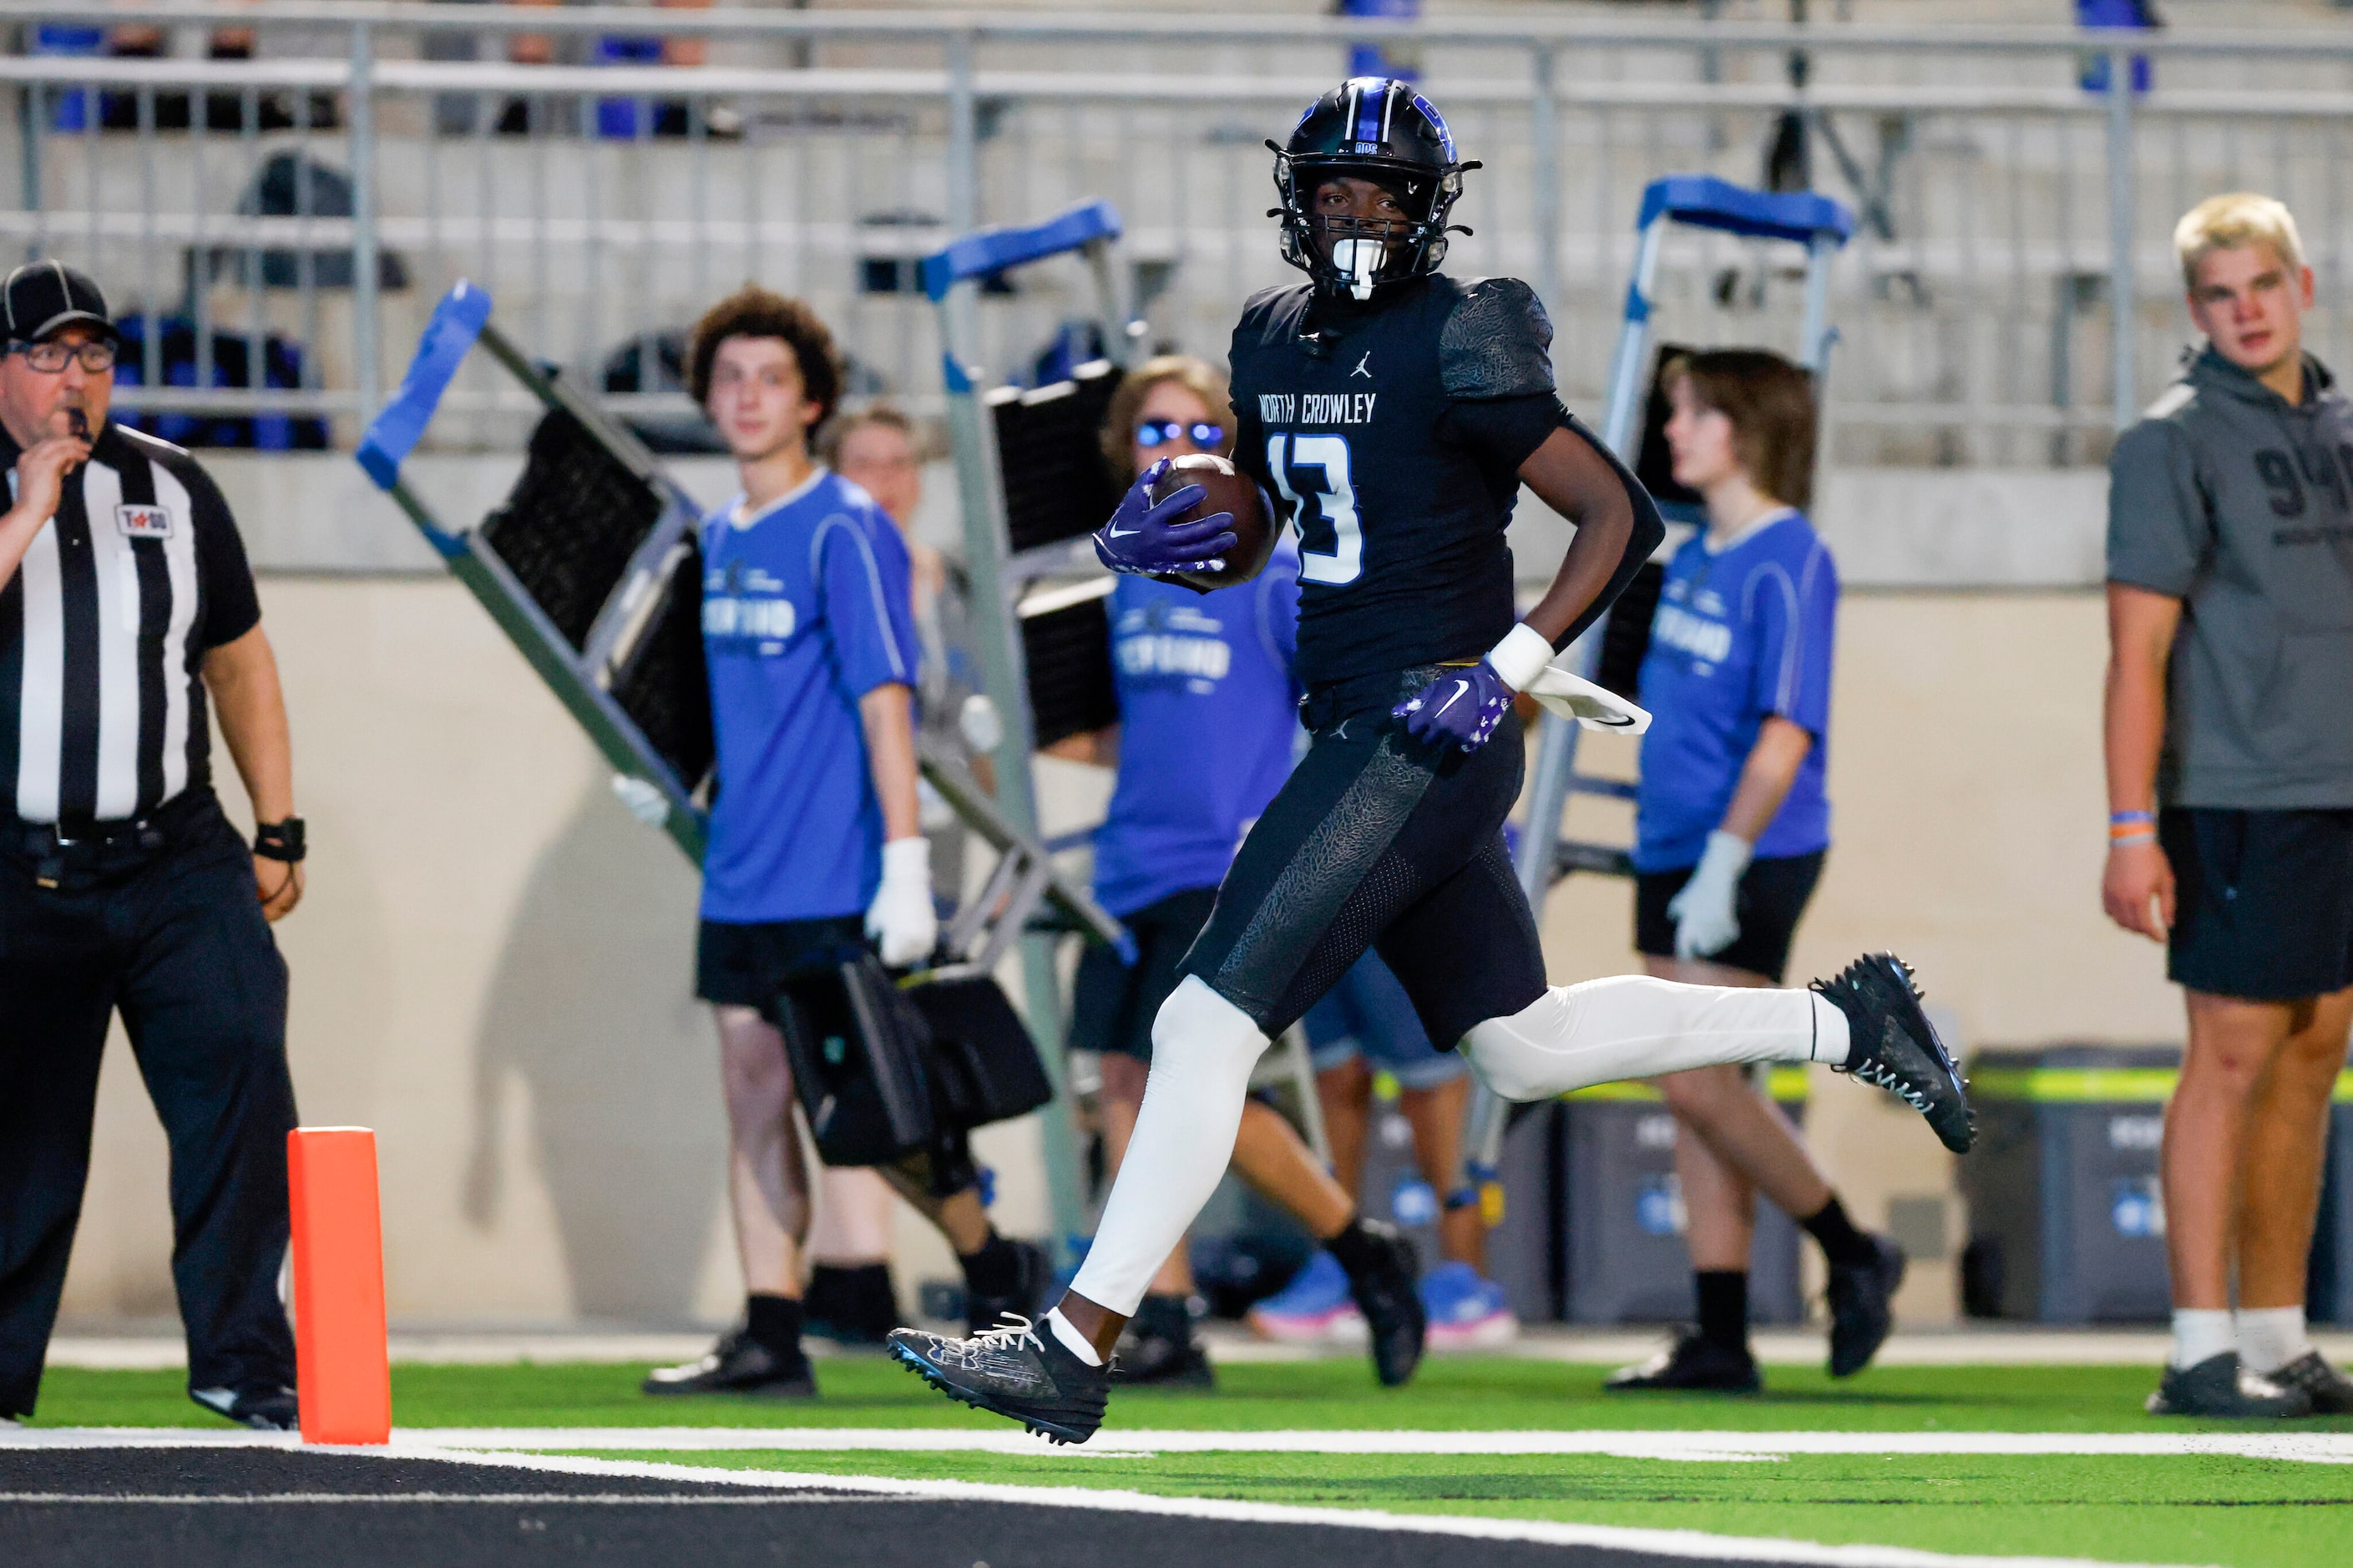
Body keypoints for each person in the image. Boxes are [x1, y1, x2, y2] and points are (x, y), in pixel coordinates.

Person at [888, 78, 1972, 1446]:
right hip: (1359, 717)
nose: (1356, 212)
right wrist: (1175, 534)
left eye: (1383, 192)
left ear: (1424, 207)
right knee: (1521, 1046)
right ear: (1295, 198)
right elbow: (1269, 521)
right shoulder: (1268, 340)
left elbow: (1613, 515)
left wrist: (1502, 669)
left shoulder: (1463, 328)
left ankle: (1074, 1339)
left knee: (1198, 1018)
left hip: (1426, 723)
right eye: (1334, 188)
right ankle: (1848, 1020)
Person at [640, 286, 1041, 1397]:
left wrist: (904, 866)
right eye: (729, 379)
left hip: (835, 877)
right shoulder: (715, 536)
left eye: (770, 379)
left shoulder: (845, 527)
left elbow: (884, 702)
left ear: (809, 399)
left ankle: (997, 1269)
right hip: (739, 877)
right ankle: (771, 1330)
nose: (747, 397)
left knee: (876, 1116)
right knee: (754, 1098)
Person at [1056, 354, 1425, 1388]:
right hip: (1128, 864)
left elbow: (1345, 706)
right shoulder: (1128, 578)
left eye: (1195, 432)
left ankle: (1161, 1316)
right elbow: (1139, 733)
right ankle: (1359, 1249)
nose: (1173, 452)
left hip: (1220, 870)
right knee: (1125, 1087)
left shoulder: (1268, 573)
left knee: (1168, 1085)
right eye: (1151, 434)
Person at [0, 262, 308, 1430]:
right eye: (47, 355)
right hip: (17, 865)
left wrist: (276, 823)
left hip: (175, 855)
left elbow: (237, 657)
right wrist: (29, 505)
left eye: (93, 356)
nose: (74, 378)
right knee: (22, 1134)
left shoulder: (173, 487)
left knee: (239, 1062)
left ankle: (245, 1359)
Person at [1602, 348, 1902, 1395]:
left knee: (1697, 1078)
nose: (1671, 431)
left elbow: (1785, 733)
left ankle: (1852, 1248)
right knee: (1688, 1090)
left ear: (1744, 426)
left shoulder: (1790, 557)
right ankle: (1719, 1333)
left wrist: (1728, 857)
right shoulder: (1693, 556)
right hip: (1668, 847)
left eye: (1689, 413)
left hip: (1751, 852)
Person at [2103, 192, 2353, 1419]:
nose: (2244, 310)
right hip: (2236, 794)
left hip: (2341, 791)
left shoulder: (2346, 426)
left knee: (2315, 1055)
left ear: (2302, 285)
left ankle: (2274, 1332)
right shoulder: (2169, 441)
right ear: (2191, 308)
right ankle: (2198, 1351)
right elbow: (2133, 655)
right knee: (2232, 1054)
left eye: (2261, 284)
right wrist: (2126, 829)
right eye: (2218, 292)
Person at [793, 405, 947, 1347]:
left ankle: (957, 1254)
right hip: (839, 846)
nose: (885, 482)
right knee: (845, 1060)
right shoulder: (825, 561)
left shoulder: (945, 586)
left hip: (928, 853)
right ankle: (855, 1266)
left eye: (899, 464)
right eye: (864, 464)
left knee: (924, 1066)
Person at [1251, 952, 1518, 1351]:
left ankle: (1466, 1282)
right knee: (1333, 1074)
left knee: (1431, 1078)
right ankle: (1344, 1266)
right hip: (1313, 903)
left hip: (1399, 898)